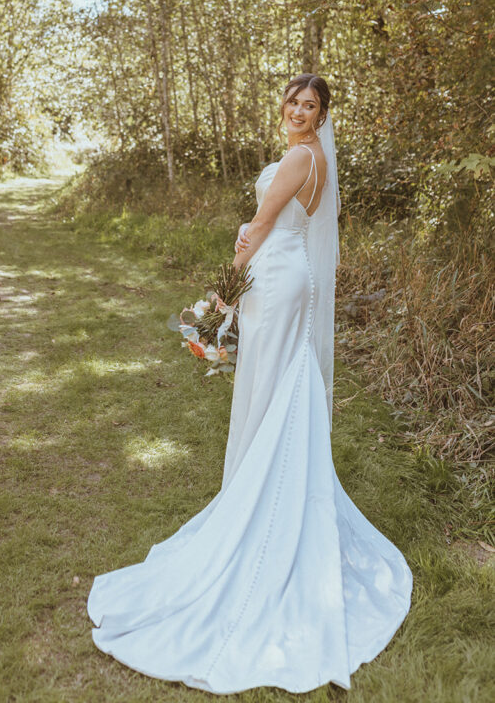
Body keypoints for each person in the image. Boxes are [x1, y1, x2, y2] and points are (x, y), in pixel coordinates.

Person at [87, 74, 413, 694]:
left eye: (309, 105)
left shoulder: (299, 156)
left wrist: (219, 298)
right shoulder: (315, 158)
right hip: (293, 277)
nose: (297, 110)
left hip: (277, 276)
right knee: (282, 384)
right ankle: (271, 490)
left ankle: (260, 508)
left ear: (321, 116)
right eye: (293, 100)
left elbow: (260, 225)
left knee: (270, 387)